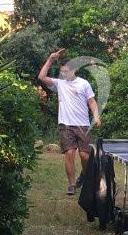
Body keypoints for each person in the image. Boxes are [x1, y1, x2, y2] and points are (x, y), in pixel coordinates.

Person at [38, 49, 102, 195]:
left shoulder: (83, 84)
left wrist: (96, 116)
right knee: (69, 153)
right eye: (62, 72)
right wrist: (50, 59)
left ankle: (84, 175)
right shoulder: (59, 83)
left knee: (85, 155)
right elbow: (41, 77)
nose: (64, 74)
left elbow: (91, 102)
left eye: (66, 71)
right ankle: (72, 184)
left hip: (83, 125)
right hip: (65, 125)